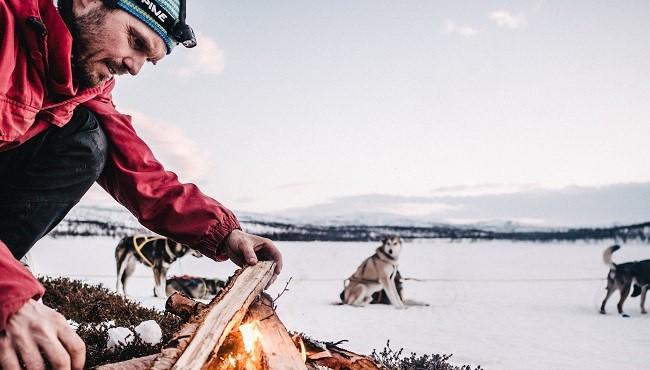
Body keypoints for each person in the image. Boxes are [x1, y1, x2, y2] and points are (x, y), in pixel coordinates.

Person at [0, 0, 283, 368]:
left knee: (87, 140)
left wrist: (223, 232)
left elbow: (140, 171)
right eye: (135, 40)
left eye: (147, 60)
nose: (133, 67)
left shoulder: (78, 85)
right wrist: (10, 298)